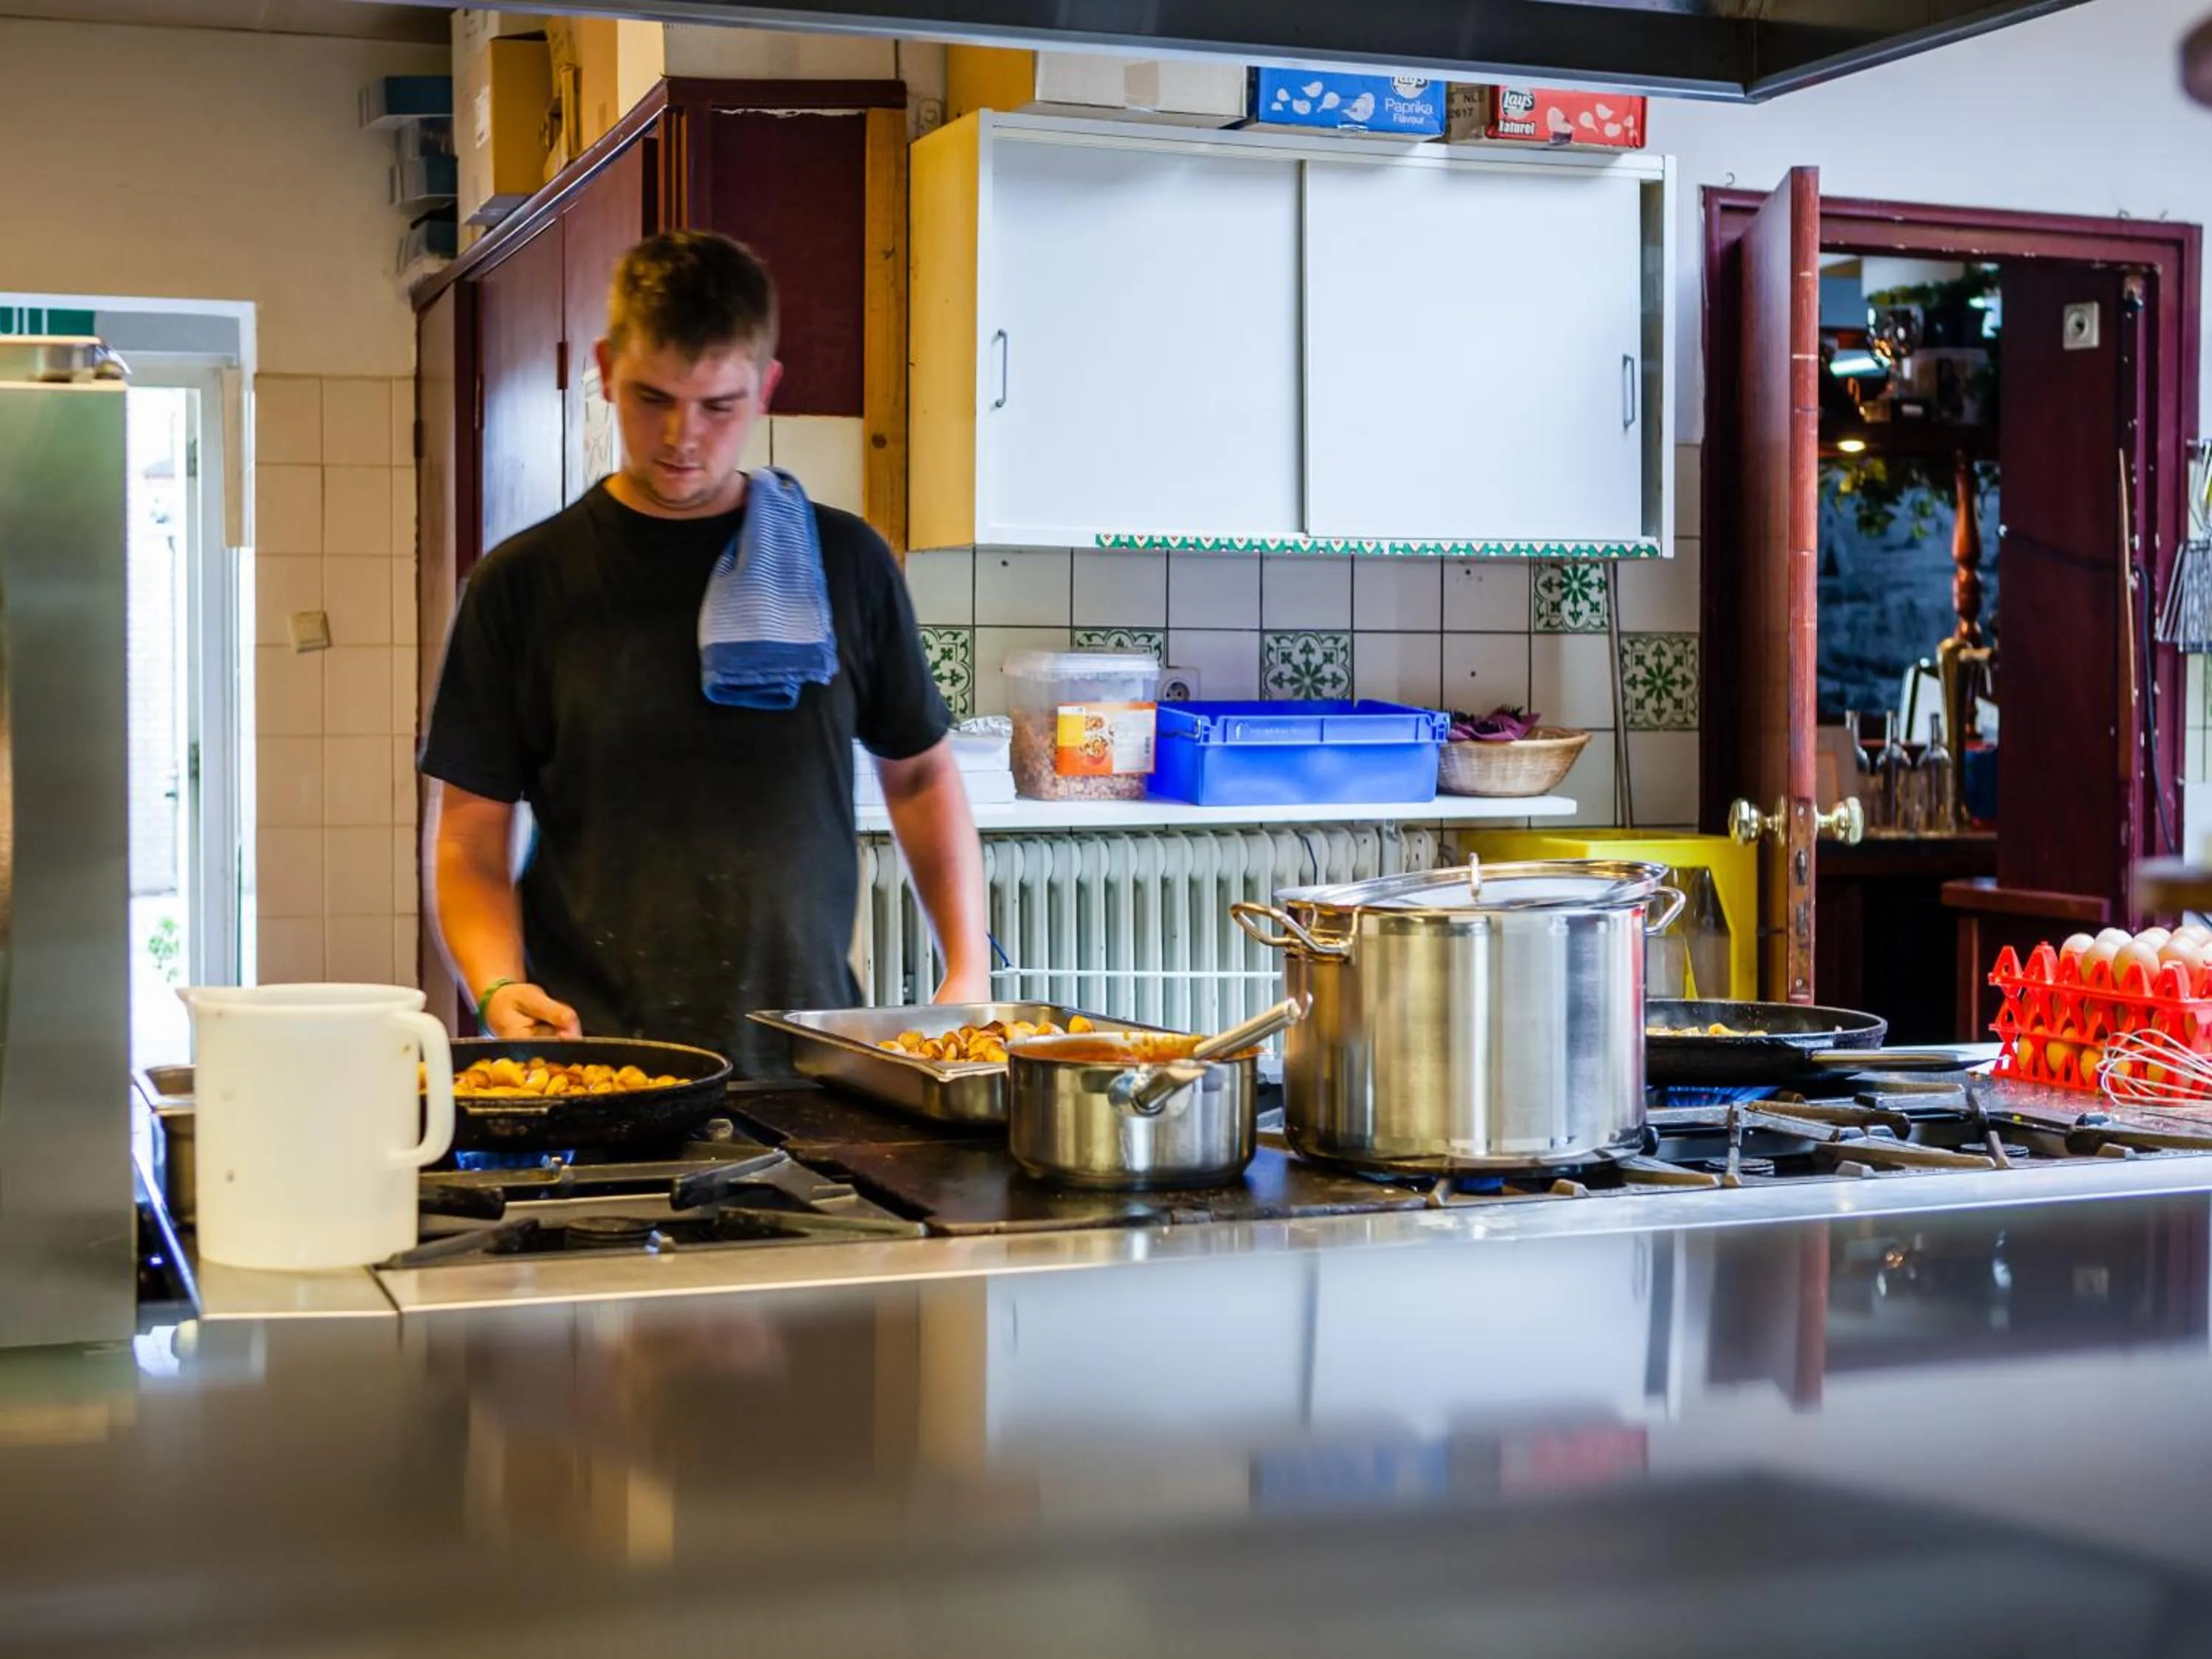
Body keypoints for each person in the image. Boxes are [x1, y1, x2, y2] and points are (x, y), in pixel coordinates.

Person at [420, 230, 987, 1078]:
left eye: (718, 406)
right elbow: (470, 833)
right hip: (595, 1058)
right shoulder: (521, 584)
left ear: (765, 390)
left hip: (810, 1055)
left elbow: (919, 775)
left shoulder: (846, 565)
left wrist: (967, 968)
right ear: (608, 369)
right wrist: (498, 985)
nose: (682, 437)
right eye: (653, 398)